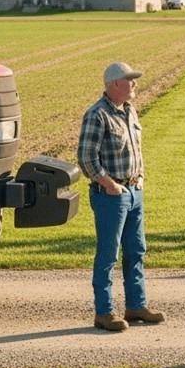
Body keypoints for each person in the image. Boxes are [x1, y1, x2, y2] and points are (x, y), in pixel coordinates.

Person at [77, 61, 166, 332]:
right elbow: (85, 157)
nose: (135, 84)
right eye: (130, 79)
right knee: (108, 255)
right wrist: (109, 184)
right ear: (115, 83)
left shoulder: (129, 111)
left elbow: (136, 151)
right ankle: (104, 313)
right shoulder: (97, 114)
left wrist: (140, 179)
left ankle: (136, 305)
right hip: (111, 195)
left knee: (136, 251)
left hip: (135, 191)